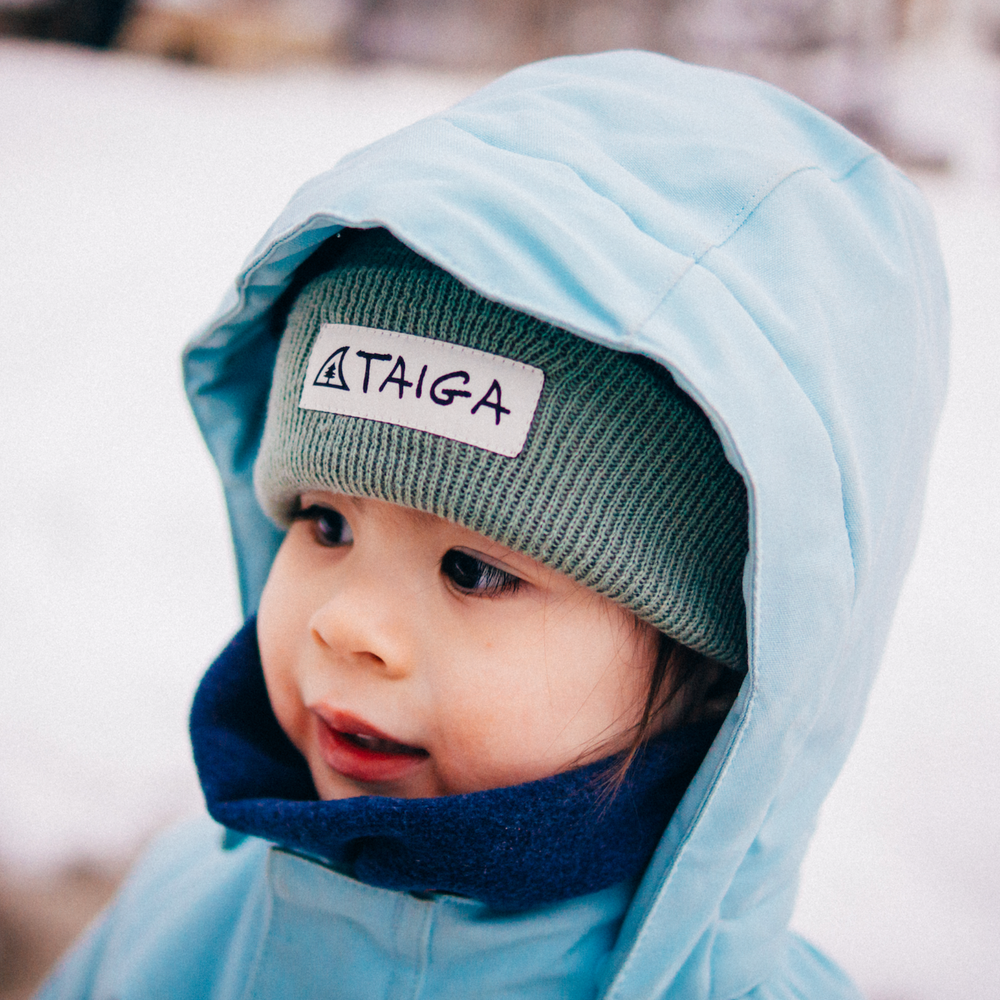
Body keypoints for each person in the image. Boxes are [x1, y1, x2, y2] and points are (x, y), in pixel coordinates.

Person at [35, 49, 948, 1000]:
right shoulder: (174, 922)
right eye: (327, 524)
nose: (346, 626)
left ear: (719, 669)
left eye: (473, 570)